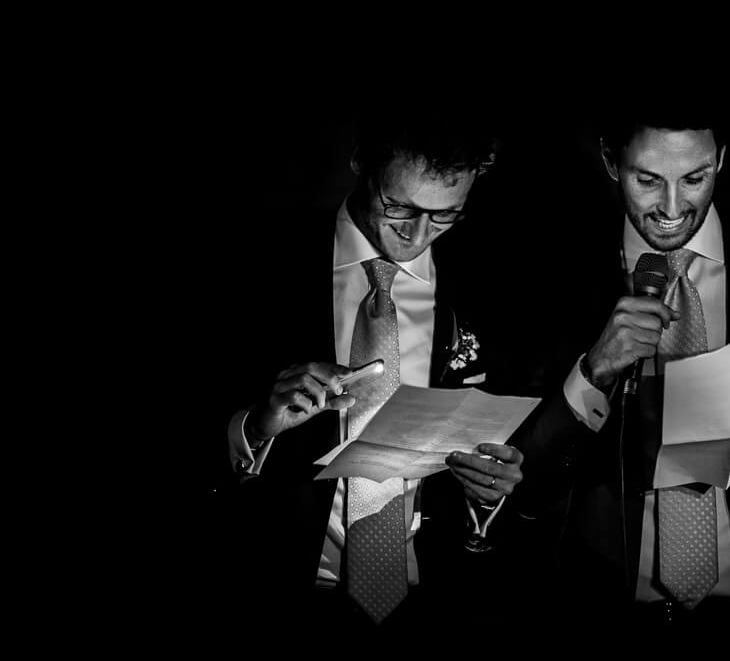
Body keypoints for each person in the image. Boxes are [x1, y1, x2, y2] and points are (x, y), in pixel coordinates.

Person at [509, 98, 730, 631]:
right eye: (647, 180)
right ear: (609, 161)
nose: (672, 206)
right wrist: (594, 371)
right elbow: (522, 480)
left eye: (695, 178)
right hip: (604, 610)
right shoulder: (549, 274)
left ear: (721, 159)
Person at [215, 100, 531, 633]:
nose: (418, 235)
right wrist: (257, 426)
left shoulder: (495, 280)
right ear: (361, 161)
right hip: (275, 592)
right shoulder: (258, 263)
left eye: (446, 214)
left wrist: (493, 487)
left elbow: (515, 437)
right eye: (399, 207)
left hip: (439, 600)